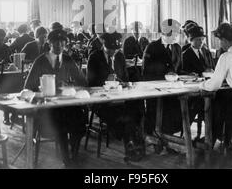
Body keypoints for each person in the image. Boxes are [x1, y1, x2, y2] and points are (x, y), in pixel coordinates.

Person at [24, 29, 87, 167]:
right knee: (61, 125)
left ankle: (73, 154)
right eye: (55, 42)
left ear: (66, 44)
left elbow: (82, 81)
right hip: (46, 109)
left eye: (62, 42)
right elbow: (28, 86)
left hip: (65, 105)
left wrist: (70, 85)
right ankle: (67, 159)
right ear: (49, 43)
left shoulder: (68, 60)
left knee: (81, 124)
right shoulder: (40, 61)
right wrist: (42, 90)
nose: (59, 45)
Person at [87, 32, 144, 162]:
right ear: (103, 45)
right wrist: (104, 81)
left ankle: (133, 143)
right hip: (101, 101)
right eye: (110, 50)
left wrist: (124, 83)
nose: (113, 52)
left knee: (136, 110)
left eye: (115, 49)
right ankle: (129, 145)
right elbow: (90, 84)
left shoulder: (119, 56)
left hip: (119, 98)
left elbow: (125, 77)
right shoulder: (94, 57)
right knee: (122, 115)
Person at [143, 18, 195, 136]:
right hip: (157, 92)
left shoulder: (177, 48)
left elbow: (178, 70)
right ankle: (159, 135)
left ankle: (170, 135)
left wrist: (188, 74)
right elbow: (146, 73)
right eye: (174, 33)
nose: (177, 36)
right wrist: (165, 76)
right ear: (165, 32)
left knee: (191, 103)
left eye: (177, 33)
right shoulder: (152, 47)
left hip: (174, 90)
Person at [181, 25, 214, 142]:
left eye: (202, 39)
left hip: (207, 86)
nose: (201, 42)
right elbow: (182, 72)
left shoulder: (207, 52)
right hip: (193, 89)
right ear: (191, 40)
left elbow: (212, 67)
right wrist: (191, 74)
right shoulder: (185, 54)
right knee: (195, 105)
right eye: (198, 39)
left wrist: (211, 71)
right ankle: (186, 134)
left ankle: (212, 134)